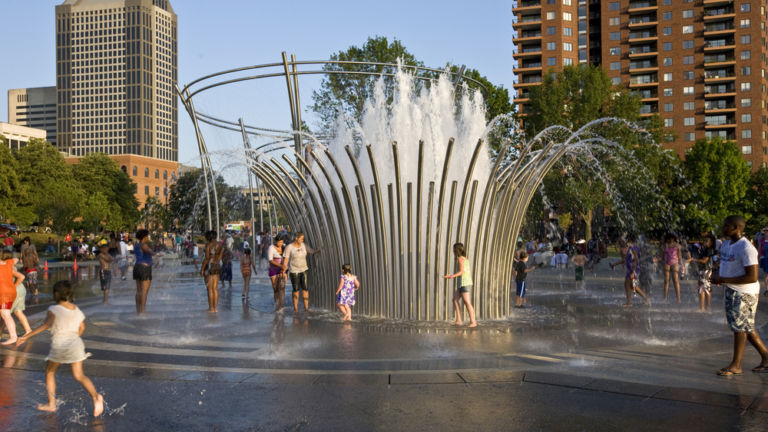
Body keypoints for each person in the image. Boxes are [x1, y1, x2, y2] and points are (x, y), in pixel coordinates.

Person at [16, 280, 104, 416]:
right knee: (79, 375)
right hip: (76, 344)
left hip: (60, 345)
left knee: (50, 372)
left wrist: (27, 336)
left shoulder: (54, 310)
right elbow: (82, 328)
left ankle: (51, 404)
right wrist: (74, 338)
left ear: (56, 294)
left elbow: (46, 325)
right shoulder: (76, 309)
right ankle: (96, 397)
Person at [710, 215, 768, 376]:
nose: (723, 228)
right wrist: (717, 275)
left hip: (744, 292)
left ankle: (736, 365)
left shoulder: (747, 248)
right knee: (745, 326)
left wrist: (723, 279)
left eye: (727, 225)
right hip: (732, 289)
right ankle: (766, 357)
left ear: (737, 228)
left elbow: (752, 276)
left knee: (740, 328)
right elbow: (727, 265)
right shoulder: (727, 244)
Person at [443, 243, 477, 327]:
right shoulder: (464, 258)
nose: (453, 251)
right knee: (455, 299)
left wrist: (450, 276)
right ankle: (459, 320)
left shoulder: (460, 259)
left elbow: (461, 271)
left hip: (464, 283)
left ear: (456, 250)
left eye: (453, 249)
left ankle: (473, 322)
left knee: (467, 302)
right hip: (462, 283)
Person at [283, 232, 318, 313]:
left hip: (304, 269)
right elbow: (286, 261)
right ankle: (296, 309)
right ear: (296, 238)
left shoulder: (303, 245)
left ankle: (306, 308)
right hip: (294, 271)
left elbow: (311, 251)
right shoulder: (289, 247)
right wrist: (283, 272)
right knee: (296, 290)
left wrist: (318, 250)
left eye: (303, 238)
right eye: (301, 238)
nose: (303, 240)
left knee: (305, 289)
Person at [611, 235, 649, 306]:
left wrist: (633, 271)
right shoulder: (630, 248)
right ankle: (629, 302)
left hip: (634, 269)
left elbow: (636, 260)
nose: (626, 243)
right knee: (627, 284)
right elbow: (625, 260)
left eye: (627, 241)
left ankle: (645, 298)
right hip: (630, 269)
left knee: (632, 285)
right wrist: (614, 264)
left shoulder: (634, 249)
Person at [0, 252, 24, 344]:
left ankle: (13, 336)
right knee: (5, 314)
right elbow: (16, 259)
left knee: (5, 314)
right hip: (9, 291)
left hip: (3, 293)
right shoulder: (7, 263)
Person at [133, 229, 155, 314]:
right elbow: (150, 252)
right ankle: (142, 312)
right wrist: (157, 254)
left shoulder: (136, 245)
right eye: (147, 236)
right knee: (144, 292)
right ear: (145, 237)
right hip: (145, 268)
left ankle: (138, 311)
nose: (148, 237)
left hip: (137, 267)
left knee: (138, 291)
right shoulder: (143, 245)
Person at [201, 231, 223, 313]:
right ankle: (215, 308)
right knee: (215, 288)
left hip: (209, 265)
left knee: (210, 289)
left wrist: (202, 269)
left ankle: (211, 308)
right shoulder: (220, 245)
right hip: (217, 265)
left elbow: (206, 258)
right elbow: (220, 256)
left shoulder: (208, 245)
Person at [694, 234, 716, 312]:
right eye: (704, 240)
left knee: (703, 289)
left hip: (706, 270)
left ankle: (703, 307)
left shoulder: (709, 250)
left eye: (706, 241)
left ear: (711, 242)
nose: (704, 242)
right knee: (703, 288)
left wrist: (693, 260)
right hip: (704, 270)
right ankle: (705, 307)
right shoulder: (704, 249)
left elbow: (704, 260)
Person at [661, 233, 683, 303]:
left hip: (674, 263)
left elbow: (679, 256)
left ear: (674, 239)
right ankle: (665, 298)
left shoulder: (677, 246)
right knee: (667, 281)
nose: (669, 240)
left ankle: (678, 299)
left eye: (671, 238)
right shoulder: (665, 246)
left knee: (675, 281)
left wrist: (681, 264)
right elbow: (662, 256)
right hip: (667, 263)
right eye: (668, 238)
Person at [268, 236, 287, 312]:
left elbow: (287, 257)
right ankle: (277, 306)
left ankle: (282, 306)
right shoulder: (271, 248)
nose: (281, 243)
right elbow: (270, 260)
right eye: (279, 242)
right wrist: (280, 265)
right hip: (274, 269)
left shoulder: (285, 247)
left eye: (282, 242)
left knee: (282, 288)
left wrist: (283, 268)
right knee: (275, 288)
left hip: (283, 269)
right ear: (275, 241)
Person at [758, 227, 768, 296]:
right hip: (764, 258)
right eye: (765, 231)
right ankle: (767, 289)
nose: (766, 232)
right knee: (766, 275)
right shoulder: (762, 239)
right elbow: (759, 248)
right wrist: (758, 257)